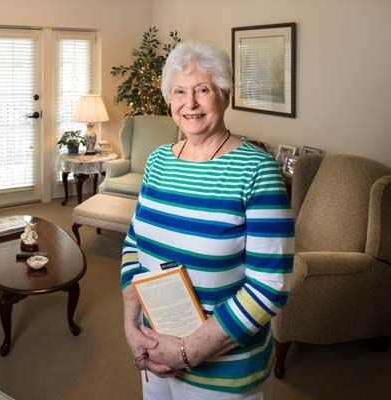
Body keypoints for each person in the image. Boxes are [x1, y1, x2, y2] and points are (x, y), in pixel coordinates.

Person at [121, 41, 294, 399]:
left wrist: (188, 352)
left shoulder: (257, 172)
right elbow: (134, 244)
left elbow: (269, 286)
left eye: (203, 89)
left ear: (224, 95)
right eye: (180, 91)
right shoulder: (157, 162)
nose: (191, 103)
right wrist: (132, 324)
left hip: (222, 372)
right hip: (154, 349)